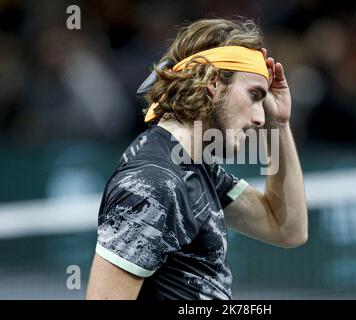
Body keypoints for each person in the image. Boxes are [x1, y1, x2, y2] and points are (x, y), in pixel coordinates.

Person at [86, 18, 308, 300]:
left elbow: (287, 228)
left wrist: (279, 122)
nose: (259, 117)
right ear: (213, 82)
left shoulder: (193, 167)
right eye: (254, 96)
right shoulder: (154, 182)